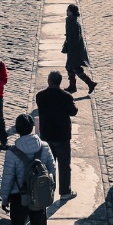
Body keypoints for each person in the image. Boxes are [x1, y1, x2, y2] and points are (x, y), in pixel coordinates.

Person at [0, 113, 56, 225]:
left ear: (17, 130)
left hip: (19, 198)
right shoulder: (44, 147)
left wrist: (4, 198)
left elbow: (8, 177)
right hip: (38, 197)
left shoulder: (12, 152)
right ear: (32, 128)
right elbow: (52, 170)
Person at [35, 71, 78, 200]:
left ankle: (48, 189)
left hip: (46, 134)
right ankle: (65, 191)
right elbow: (73, 112)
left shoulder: (40, 96)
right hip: (62, 135)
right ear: (60, 81)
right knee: (64, 165)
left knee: (48, 164)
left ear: (49, 81)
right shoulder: (66, 97)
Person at [62, 4, 97, 94]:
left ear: (71, 12)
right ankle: (72, 86)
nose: (67, 12)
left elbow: (76, 39)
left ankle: (90, 83)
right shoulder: (70, 21)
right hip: (71, 49)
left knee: (75, 68)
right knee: (69, 67)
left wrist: (70, 41)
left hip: (74, 51)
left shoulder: (75, 23)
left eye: (68, 10)